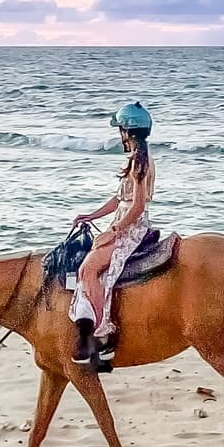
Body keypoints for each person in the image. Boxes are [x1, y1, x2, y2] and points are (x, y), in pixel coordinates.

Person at [69, 102, 156, 366]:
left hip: (132, 227)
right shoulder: (134, 159)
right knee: (90, 267)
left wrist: (114, 232)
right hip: (122, 222)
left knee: (87, 269)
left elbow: (138, 205)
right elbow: (119, 199)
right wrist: (91, 216)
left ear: (127, 132)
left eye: (121, 130)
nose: (120, 135)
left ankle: (103, 332)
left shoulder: (140, 162)